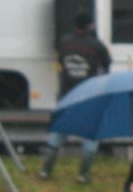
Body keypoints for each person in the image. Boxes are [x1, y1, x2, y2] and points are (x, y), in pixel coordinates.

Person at [38, 10, 112, 182]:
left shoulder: (64, 42)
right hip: (88, 96)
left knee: (59, 131)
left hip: (66, 96)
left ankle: (45, 170)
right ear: (90, 25)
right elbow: (106, 65)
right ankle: (83, 174)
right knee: (90, 134)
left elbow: (60, 61)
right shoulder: (96, 45)